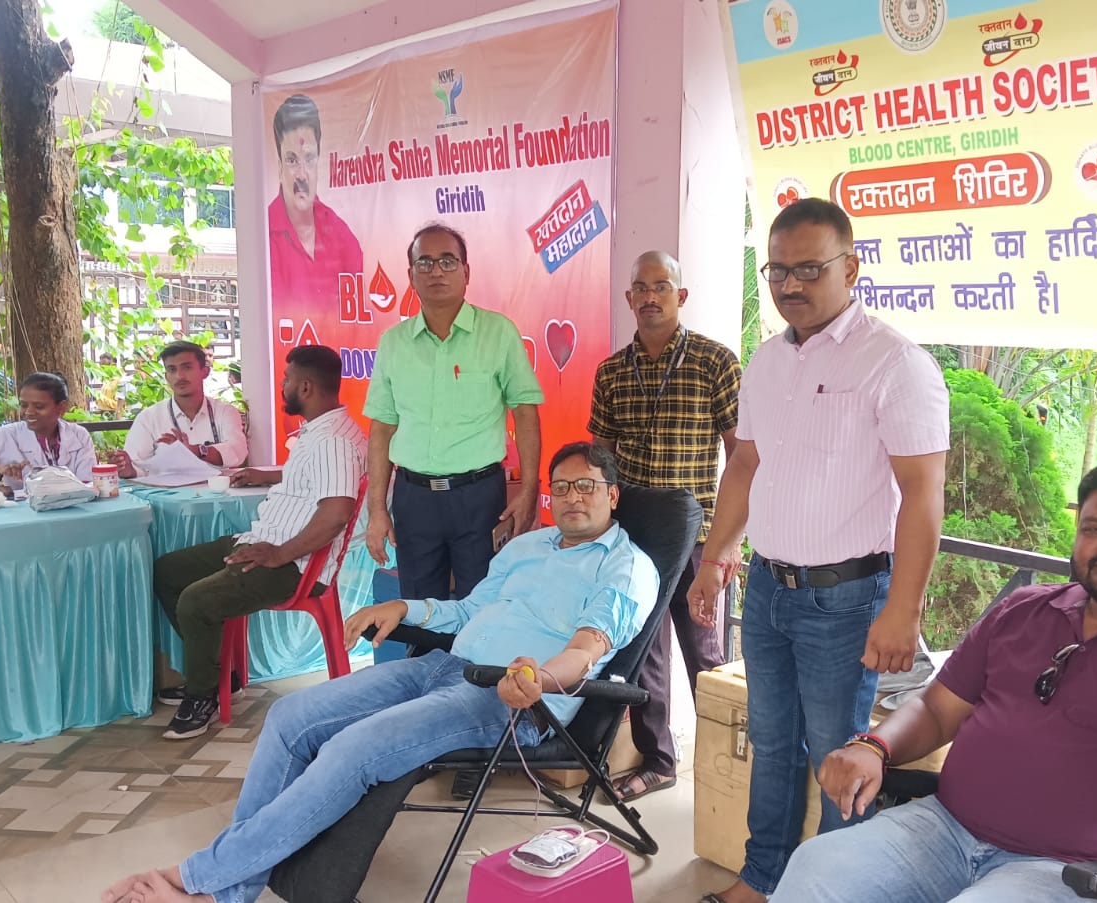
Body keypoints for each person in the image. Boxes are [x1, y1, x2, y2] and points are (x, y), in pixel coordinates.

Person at [101, 442, 660, 903]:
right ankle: (232, 889)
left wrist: (538, 678)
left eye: (586, 486)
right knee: (291, 716)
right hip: (443, 667)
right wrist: (404, 607)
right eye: (561, 486)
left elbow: (586, 651)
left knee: (355, 747)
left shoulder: (626, 566)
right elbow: (468, 610)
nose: (572, 497)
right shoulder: (529, 546)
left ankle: (200, 879)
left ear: (612, 495)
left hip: (508, 697)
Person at [769, 459, 1097, 903]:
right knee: (818, 869)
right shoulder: (1025, 610)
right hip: (946, 830)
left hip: (1079, 870)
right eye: (1094, 528)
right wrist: (874, 747)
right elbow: (937, 709)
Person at [688, 198, 950, 903]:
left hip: (847, 598)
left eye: (809, 268)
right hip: (768, 588)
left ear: (851, 267)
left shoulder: (895, 362)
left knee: (841, 758)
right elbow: (745, 466)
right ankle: (762, 878)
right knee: (772, 742)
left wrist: (903, 609)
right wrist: (715, 559)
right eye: (777, 270)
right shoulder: (767, 361)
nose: (790, 285)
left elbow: (922, 493)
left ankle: (832, 891)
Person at [152, 345, 367, 740]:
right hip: (264, 542)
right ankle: (220, 677)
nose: (282, 386)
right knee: (168, 571)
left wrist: (280, 554)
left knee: (196, 601)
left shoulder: (333, 440)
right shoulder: (320, 430)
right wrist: (268, 476)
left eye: (286, 379)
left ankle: (202, 695)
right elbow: (313, 478)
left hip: (294, 565)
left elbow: (336, 513)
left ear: (305, 387)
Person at [588, 250, 740, 801]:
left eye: (662, 286)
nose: (650, 297)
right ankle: (658, 761)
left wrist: (728, 545)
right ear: (629, 297)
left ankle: (730, 769)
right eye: (641, 287)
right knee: (643, 653)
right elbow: (601, 460)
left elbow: (742, 458)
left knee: (707, 656)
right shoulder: (611, 371)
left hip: (699, 542)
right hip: (636, 543)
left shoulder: (715, 362)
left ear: (681, 295)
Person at [364, 223, 544, 599]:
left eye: (447, 261)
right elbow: (381, 428)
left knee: (482, 608)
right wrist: (377, 508)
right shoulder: (393, 343)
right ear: (410, 275)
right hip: (414, 499)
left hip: (479, 499)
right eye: (425, 262)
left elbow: (525, 413)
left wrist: (529, 490)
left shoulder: (498, 333)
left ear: (466, 272)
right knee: (419, 610)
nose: (436, 271)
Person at [268, 94, 363, 305]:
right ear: (280, 167)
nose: (302, 174)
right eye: (292, 160)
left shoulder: (343, 239)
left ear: (319, 161)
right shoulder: (263, 239)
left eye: (309, 159)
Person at [112, 341, 249, 479]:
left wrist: (196, 451)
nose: (179, 376)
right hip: (166, 492)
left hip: (217, 490)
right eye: (172, 370)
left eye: (187, 367)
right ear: (166, 377)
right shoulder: (148, 418)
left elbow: (238, 451)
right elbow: (137, 466)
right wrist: (128, 470)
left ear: (205, 372)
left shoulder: (225, 412)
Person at [0, 372, 96, 491]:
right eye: (24, 405)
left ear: (61, 407)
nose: (28, 412)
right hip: (23, 512)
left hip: (73, 509)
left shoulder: (79, 435)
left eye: (39, 406)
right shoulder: (5, 435)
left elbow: (88, 484)